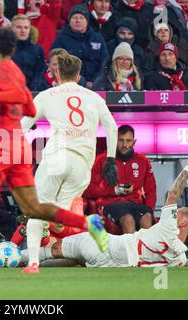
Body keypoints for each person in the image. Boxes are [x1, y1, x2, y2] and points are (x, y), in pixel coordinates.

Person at [0, 27, 109, 281]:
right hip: (18, 147)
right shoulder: (17, 74)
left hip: (3, 145)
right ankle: (88, 224)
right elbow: (26, 105)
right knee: (34, 208)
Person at [22, 150, 188, 269]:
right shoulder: (179, 255)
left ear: (181, 222)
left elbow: (172, 194)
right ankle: (20, 259)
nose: (174, 211)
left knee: (55, 250)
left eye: (178, 211)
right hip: (113, 264)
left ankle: (12, 258)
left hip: (107, 246)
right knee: (73, 260)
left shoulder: (168, 229)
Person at [20, 52, 118, 273]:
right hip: (82, 164)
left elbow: (22, 126)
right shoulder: (94, 97)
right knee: (57, 216)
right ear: (79, 74)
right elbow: (112, 127)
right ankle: (88, 223)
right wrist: (110, 159)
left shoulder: (47, 95)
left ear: (57, 72)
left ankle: (34, 263)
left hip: (57, 158)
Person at [84, 125, 156, 234]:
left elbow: (151, 189)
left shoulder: (142, 161)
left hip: (135, 204)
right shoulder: (103, 160)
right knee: (128, 219)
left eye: (128, 141)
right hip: (110, 204)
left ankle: (145, 251)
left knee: (147, 217)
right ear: (115, 141)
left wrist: (149, 209)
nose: (125, 145)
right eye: (121, 140)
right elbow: (88, 189)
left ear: (134, 142)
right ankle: (131, 251)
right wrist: (114, 190)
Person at [51, 4, 109, 88]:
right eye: (74, 17)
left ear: (87, 21)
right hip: (70, 84)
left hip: (97, 85)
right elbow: (57, 64)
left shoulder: (97, 38)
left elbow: (105, 62)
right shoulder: (61, 39)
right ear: (69, 20)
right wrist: (82, 82)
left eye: (81, 18)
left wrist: (95, 81)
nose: (78, 20)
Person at [11, 14, 46, 91]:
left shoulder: (38, 50)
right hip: (10, 90)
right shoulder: (5, 48)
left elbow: (40, 72)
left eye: (26, 27)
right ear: (12, 29)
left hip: (32, 91)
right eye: (19, 27)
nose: (23, 31)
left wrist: (33, 89)